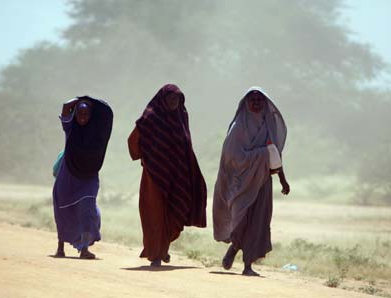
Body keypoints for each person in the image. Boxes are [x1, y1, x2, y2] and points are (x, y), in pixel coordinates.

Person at [213, 86, 290, 276]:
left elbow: (274, 154)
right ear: (246, 103)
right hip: (240, 183)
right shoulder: (238, 126)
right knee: (241, 220)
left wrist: (282, 179)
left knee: (259, 221)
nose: (256, 104)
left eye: (259, 101)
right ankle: (233, 248)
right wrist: (260, 155)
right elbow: (232, 156)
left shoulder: (268, 124)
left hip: (262, 181)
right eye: (252, 100)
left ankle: (248, 265)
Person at [128, 84, 207, 267]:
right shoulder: (151, 117)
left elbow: (186, 146)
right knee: (155, 214)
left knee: (176, 211)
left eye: (177, 99)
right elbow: (134, 140)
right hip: (154, 176)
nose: (173, 102)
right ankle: (156, 254)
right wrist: (145, 156)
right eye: (170, 98)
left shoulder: (181, 117)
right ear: (163, 99)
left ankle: (162, 248)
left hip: (177, 175)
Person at [53, 96, 113, 259]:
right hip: (68, 175)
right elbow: (65, 106)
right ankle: (60, 246)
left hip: (89, 176)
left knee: (87, 209)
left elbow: (107, 112)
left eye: (86, 114)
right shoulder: (70, 127)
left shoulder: (97, 132)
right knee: (63, 210)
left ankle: (84, 248)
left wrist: (92, 102)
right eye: (80, 114)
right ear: (75, 114)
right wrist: (82, 98)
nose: (83, 118)